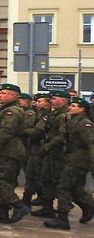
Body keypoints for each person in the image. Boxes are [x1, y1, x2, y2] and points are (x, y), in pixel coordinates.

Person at [0, 83, 30, 224]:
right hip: (5, 150)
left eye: (4, 93)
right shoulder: (7, 108)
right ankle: (1, 212)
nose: (0, 95)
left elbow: (6, 132)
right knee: (4, 180)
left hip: (8, 151)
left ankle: (18, 205)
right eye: (0, 93)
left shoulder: (12, 111)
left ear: (13, 96)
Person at [43, 97, 94, 230]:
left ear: (82, 109)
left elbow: (91, 144)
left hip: (79, 162)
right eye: (71, 105)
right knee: (76, 188)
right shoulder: (73, 121)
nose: (70, 108)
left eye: (74, 106)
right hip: (72, 159)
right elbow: (63, 137)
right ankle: (89, 206)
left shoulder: (84, 123)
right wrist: (48, 147)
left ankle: (62, 219)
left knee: (63, 187)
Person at [30, 89, 70, 219]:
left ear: (63, 101)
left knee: (60, 184)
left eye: (54, 99)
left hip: (58, 153)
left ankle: (82, 207)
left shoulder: (63, 115)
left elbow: (62, 136)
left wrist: (47, 146)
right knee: (46, 180)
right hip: (49, 152)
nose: (51, 101)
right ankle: (48, 208)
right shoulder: (54, 113)